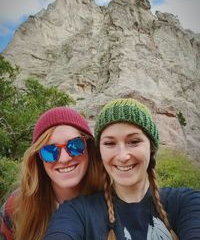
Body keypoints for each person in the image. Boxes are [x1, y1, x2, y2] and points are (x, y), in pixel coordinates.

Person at [44, 98, 200, 240]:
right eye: (110, 143)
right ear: (100, 152)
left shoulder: (187, 203)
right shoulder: (76, 212)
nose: (123, 156)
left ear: (151, 147)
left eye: (134, 141)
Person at [0, 106, 103, 240]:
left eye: (75, 145)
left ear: (89, 148)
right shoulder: (16, 207)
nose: (64, 158)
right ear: (38, 159)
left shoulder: (114, 199)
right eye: (50, 151)